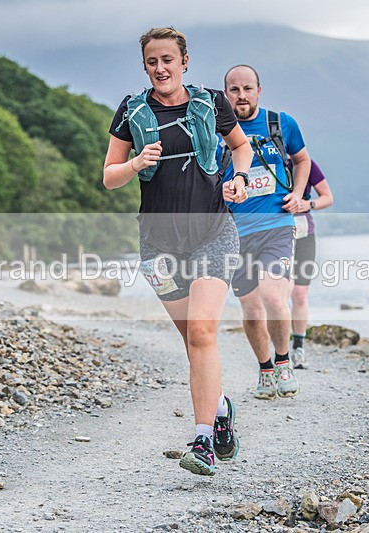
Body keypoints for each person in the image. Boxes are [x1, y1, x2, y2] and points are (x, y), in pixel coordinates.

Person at [103, 28, 252, 476]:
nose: (161, 68)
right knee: (193, 340)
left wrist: (240, 179)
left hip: (213, 232)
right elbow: (110, 176)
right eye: (152, 62)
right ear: (145, 66)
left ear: (185, 61)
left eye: (169, 59)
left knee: (204, 332)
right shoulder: (132, 112)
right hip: (158, 244)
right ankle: (220, 406)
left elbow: (240, 147)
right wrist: (135, 164)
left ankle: (202, 440)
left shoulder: (211, 103)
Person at [218, 64, 312, 400]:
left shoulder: (281, 124)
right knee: (251, 309)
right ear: (225, 94)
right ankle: (265, 369)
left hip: (276, 225)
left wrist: (299, 195)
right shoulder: (217, 132)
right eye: (234, 90)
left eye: (247, 88)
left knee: (274, 296)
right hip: (234, 233)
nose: (241, 96)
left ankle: (284, 360)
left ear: (259, 90)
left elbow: (303, 161)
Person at [289, 159, 333, 369]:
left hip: (304, 234)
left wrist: (309, 204)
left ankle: (298, 347)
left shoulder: (306, 164)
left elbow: (327, 197)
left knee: (299, 294)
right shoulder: (267, 159)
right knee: (278, 292)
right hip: (273, 235)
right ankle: (277, 351)